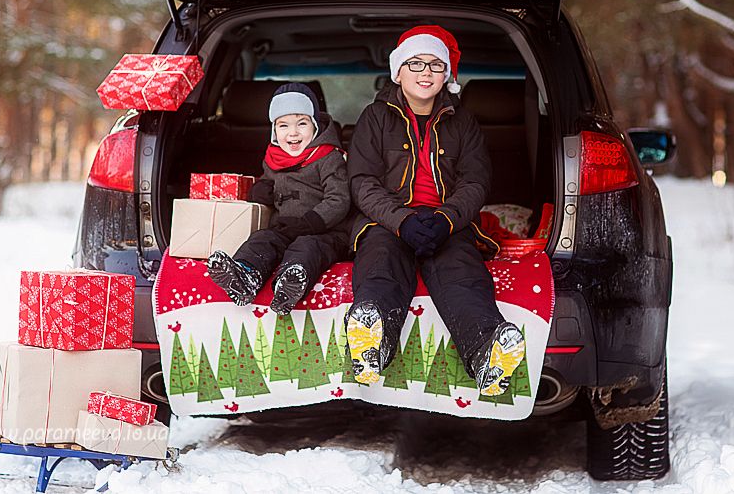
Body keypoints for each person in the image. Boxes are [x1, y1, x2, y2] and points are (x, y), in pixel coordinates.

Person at [345, 25, 525, 396]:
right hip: (387, 222)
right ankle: (369, 343)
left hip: (448, 223)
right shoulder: (374, 118)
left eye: (434, 65)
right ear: (398, 71)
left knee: (462, 274)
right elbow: (362, 181)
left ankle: (487, 351)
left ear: (447, 75)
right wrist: (401, 220)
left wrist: (447, 219)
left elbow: (476, 182)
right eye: (415, 64)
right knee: (380, 265)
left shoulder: (464, 122)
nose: (425, 72)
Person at [208, 83, 349, 315]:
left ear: (315, 126)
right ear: (274, 131)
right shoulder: (274, 157)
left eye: (301, 124)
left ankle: (291, 282)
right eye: (283, 126)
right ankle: (246, 274)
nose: (292, 133)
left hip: (325, 231)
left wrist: (310, 223)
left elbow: (339, 199)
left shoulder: (329, 157)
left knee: (308, 247)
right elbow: (268, 180)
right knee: (262, 239)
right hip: (285, 229)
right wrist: (260, 190)